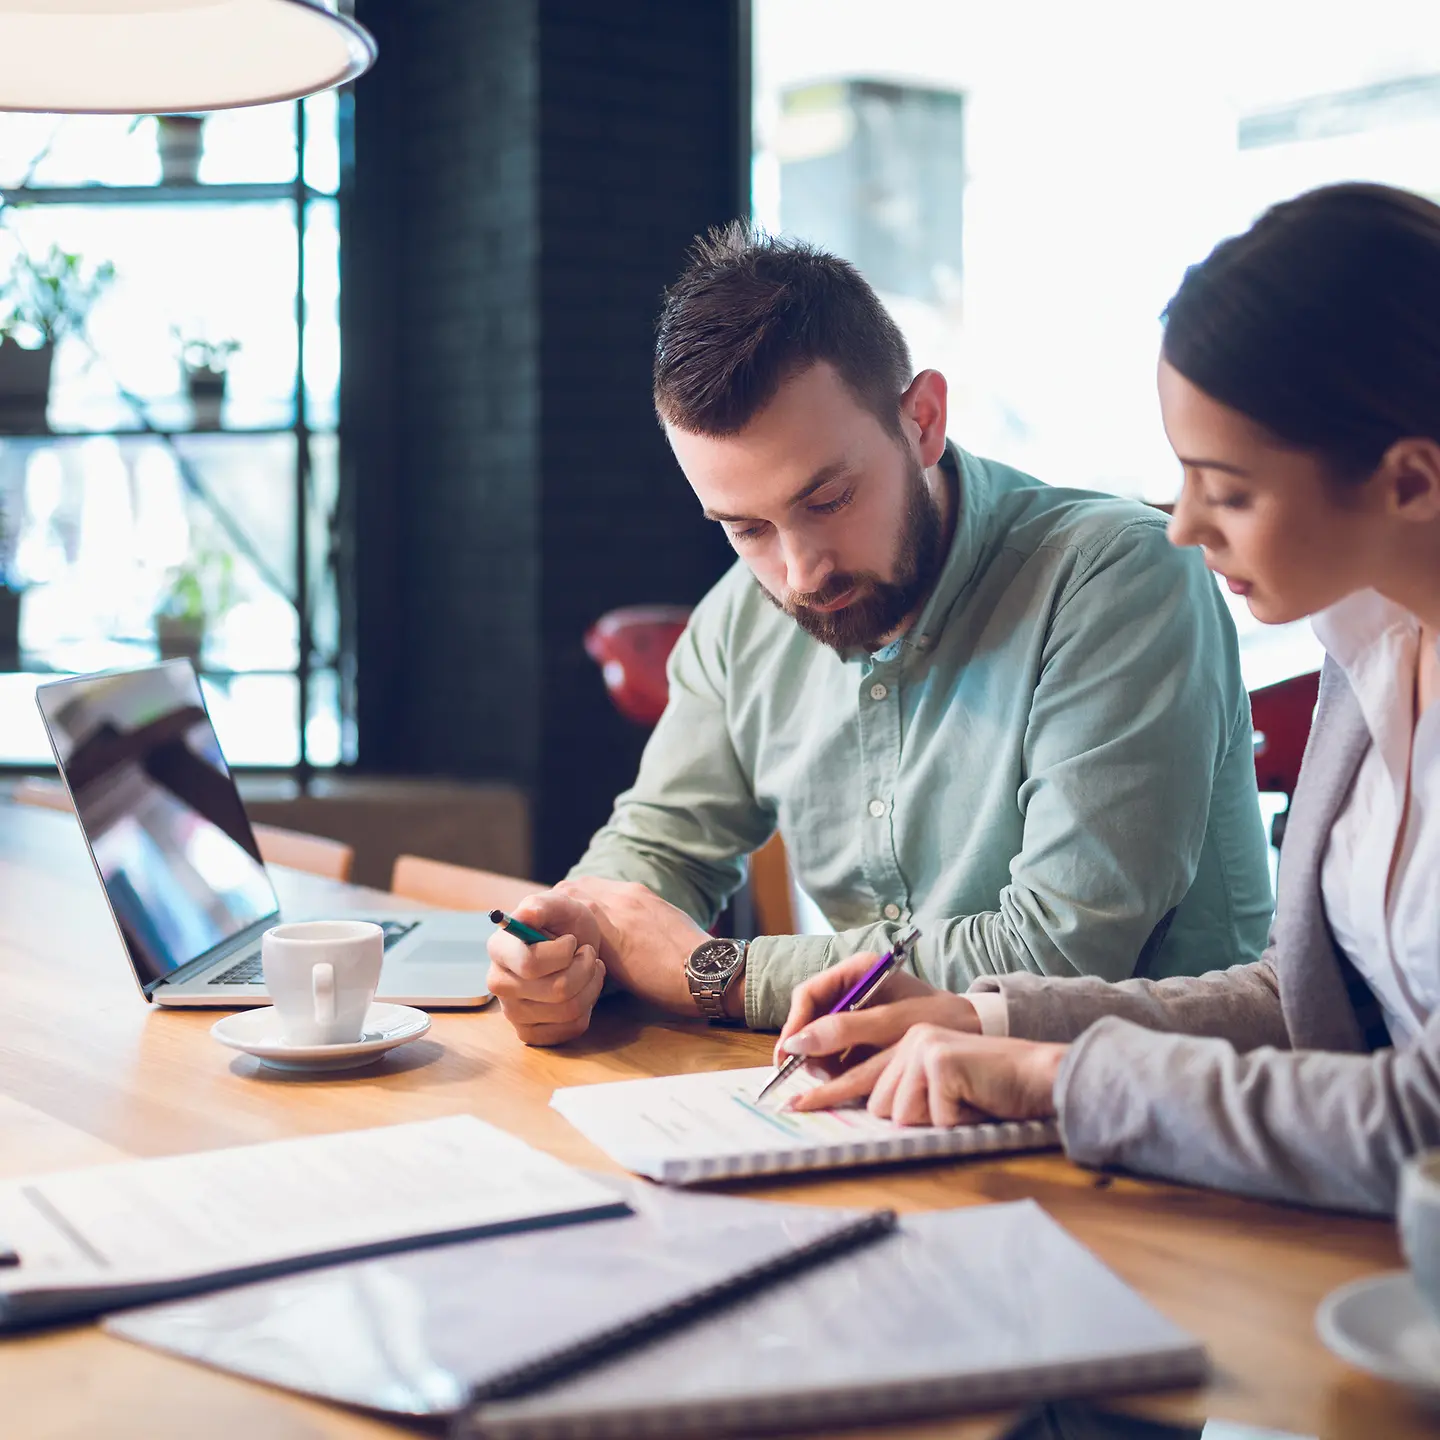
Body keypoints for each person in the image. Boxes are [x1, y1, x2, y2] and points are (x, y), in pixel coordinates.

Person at [777, 181, 1440, 1217]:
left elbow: (1418, 1122)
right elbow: (1300, 999)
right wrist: (983, 1022)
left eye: (1229, 489)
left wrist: (1057, 1081)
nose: (1184, 527)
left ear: (1410, 481)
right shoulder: (1373, 651)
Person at [486, 224, 1273, 1047]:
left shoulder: (1114, 575)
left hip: (1146, 1112)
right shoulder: (740, 618)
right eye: (746, 527)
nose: (798, 573)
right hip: (892, 1099)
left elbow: (1056, 957)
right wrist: (567, 943)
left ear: (923, 420)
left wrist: (716, 974)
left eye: (827, 501)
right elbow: (656, 849)